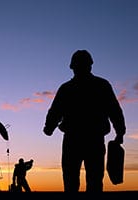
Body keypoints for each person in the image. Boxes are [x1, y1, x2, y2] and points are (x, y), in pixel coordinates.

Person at [43, 50, 126, 192]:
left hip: (75, 140)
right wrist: (120, 132)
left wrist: (49, 127)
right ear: (90, 65)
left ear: (72, 67)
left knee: (72, 181)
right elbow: (115, 111)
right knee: (92, 181)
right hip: (92, 140)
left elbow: (55, 111)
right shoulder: (101, 85)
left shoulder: (67, 88)